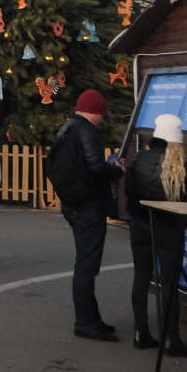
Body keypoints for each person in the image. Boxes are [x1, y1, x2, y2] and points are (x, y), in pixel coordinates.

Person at [125, 113, 187, 356]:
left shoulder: (139, 159)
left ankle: (140, 332)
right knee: (169, 284)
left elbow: (130, 192)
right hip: (170, 230)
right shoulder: (181, 166)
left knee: (141, 276)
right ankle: (172, 338)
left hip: (140, 225)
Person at [54, 89, 124, 342]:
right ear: (95, 111)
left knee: (86, 262)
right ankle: (85, 322)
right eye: (101, 115)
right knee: (86, 265)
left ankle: (93, 318)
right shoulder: (86, 130)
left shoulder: (66, 129)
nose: (102, 120)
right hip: (88, 206)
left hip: (73, 203)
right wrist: (116, 170)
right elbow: (95, 166)